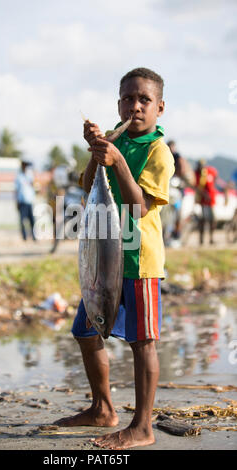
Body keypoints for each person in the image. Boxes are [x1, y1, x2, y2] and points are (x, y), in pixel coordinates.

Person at [54, 67, 175, 449]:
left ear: (159, 107)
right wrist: (97, 150)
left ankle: (142, 427)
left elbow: (138, 208)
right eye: (127, 98)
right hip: (102, 256)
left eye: (144, 100)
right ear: (118, 103)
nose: (135, 106)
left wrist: (117, 160)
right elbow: (90, 186)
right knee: (86, 330)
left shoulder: (159, 151)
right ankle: (103, 408)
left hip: (138, 259)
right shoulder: (113, 139)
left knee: (143, 342)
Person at [195, 159, 218, 245]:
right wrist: (204, 195)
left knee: (213, 220)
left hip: (211, 200)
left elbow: (215, 177)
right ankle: (201, 240)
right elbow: (197, 187)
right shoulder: (197, 174)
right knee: (203, 220)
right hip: (202, 201)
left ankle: (211, 238)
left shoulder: (210, 171)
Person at [15, 160, 36, 241]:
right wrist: (16, 201)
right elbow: (16, 190)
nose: (25, 168)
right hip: (22, 202)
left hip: (29, 201)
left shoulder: (30, 176)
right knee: (22, 221)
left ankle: (34, 237)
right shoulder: (19, 177)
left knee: (32, 220)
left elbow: (33, 185)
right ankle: (24, 237)